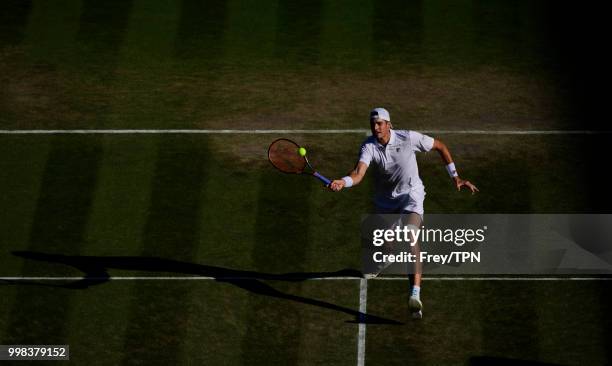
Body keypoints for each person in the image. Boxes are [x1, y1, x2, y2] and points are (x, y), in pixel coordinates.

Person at [329, 107, 478, 319]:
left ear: (389, 124)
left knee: (410, 235)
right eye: (373, 123)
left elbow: (440, 146)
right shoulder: (368, 146)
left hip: (412, 196)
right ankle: (386, 258)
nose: (376, 127)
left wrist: (456, 177)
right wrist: (343, 182)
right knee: (386, 244)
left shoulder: (408, 138)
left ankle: (415, 294)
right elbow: (358, 173)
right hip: (386, 201)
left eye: (380, 123)